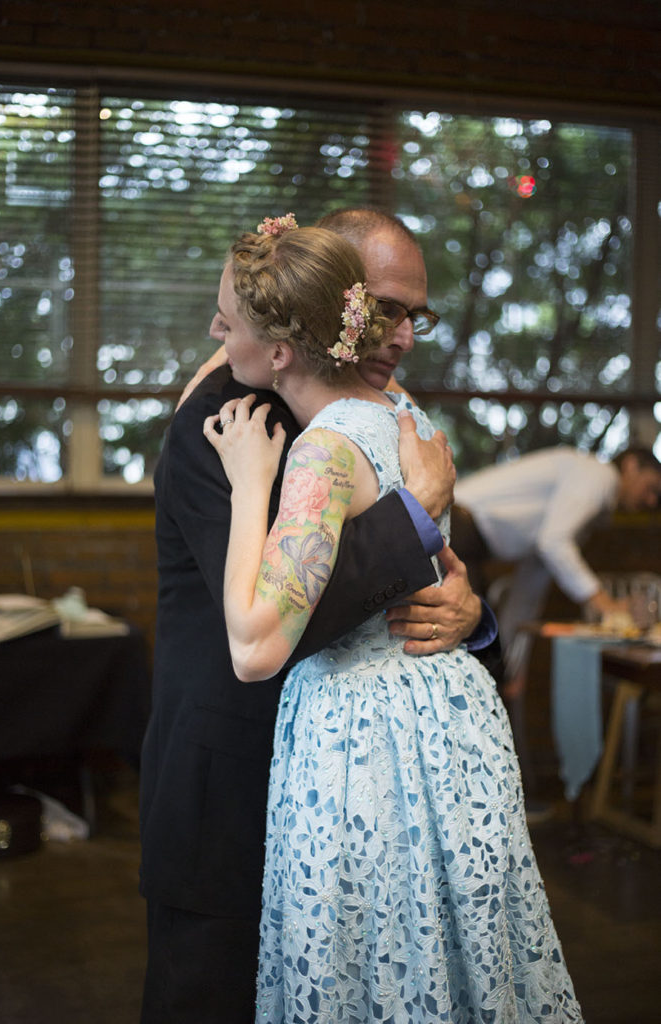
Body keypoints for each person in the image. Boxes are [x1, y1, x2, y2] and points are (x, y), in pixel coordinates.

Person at [204, 217, 582, 1022]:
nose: (213, 337)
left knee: (372, 968)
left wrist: (249, 483)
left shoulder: (315, 450)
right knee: (457, 954)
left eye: (225, 323)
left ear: (280, 349)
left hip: (365, 740)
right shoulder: (409, 423)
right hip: (450, 722)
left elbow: (255, 644)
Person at [139, 211, 495, 1022]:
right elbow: (286, 619)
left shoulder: (395, 419)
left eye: (412, 315)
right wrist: (411, 519)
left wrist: (471, 613)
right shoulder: (224, 423)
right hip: (230, 798)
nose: (398, 336)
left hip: (368, 810)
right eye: (381, 308)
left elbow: (441, 578)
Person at [453, 445, 661, 698]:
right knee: (477, 650)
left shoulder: (577, 511)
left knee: (488, 663)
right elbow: (554, 543)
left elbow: (528, 592)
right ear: (630, 466)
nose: (651, 501)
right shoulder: (599, 475)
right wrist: (606, 604)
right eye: (651, 488)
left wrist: (511, 668)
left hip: (465, 537)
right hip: (455, 526)